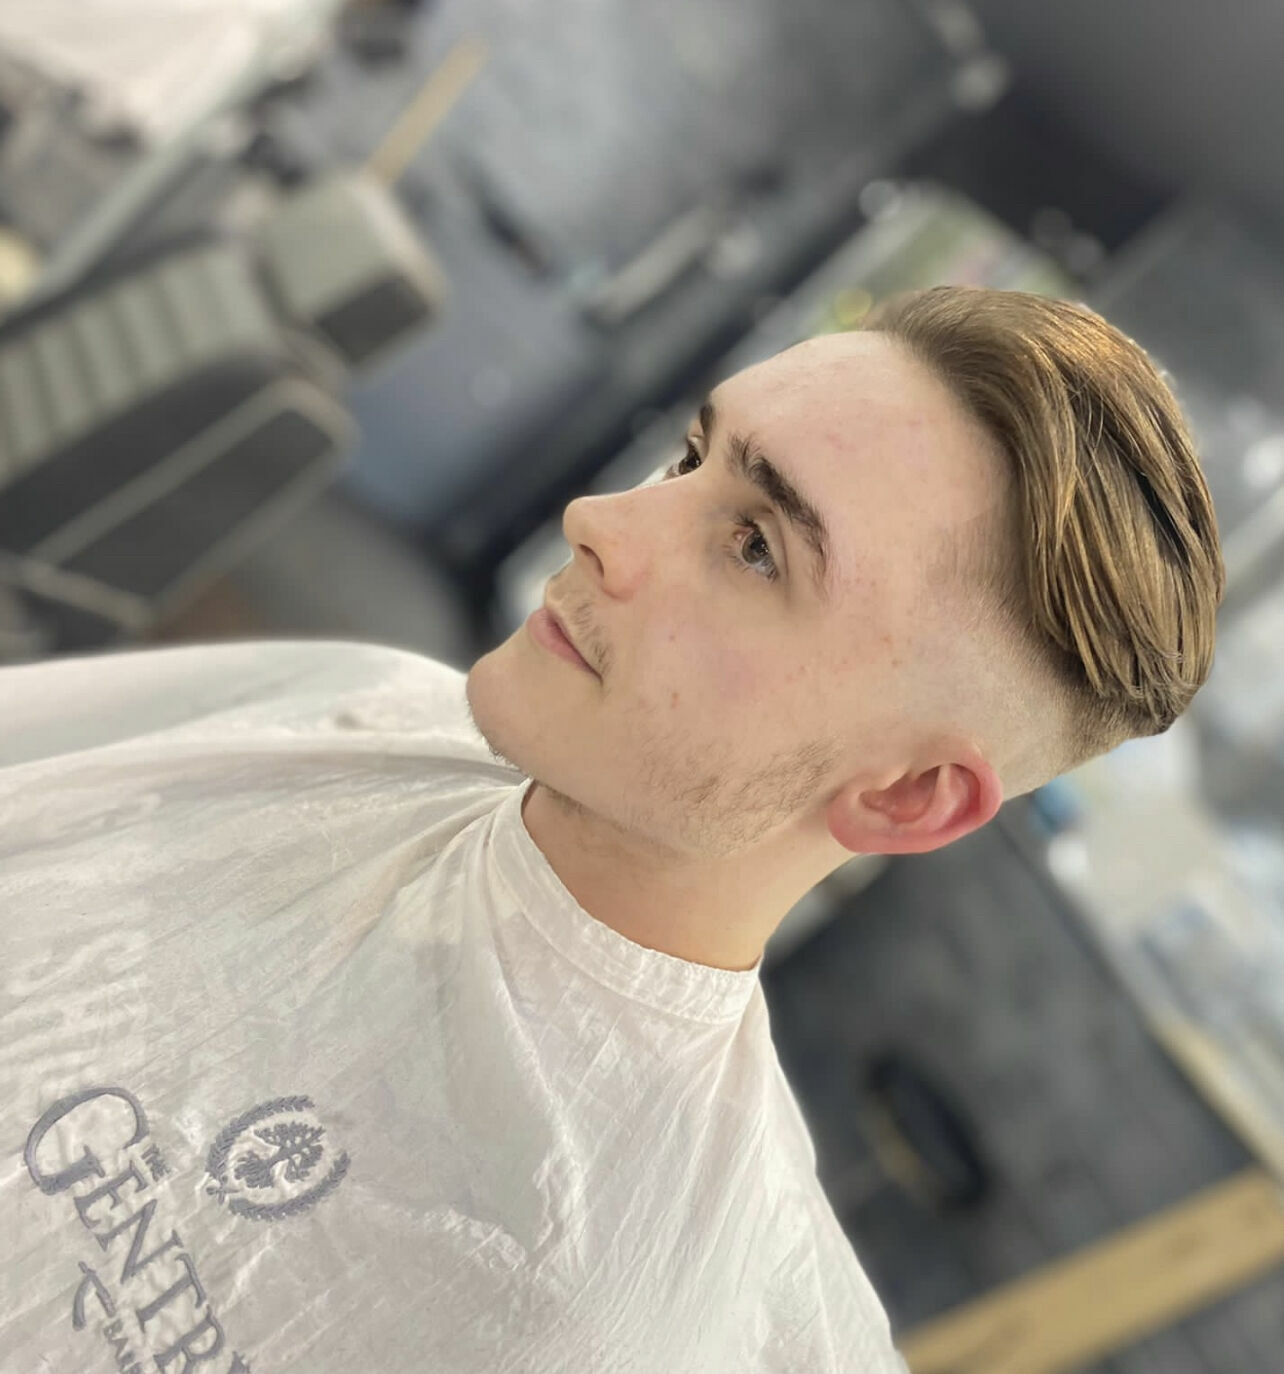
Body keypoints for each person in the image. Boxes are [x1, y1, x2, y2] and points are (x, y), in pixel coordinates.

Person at [0, 286, 1224, 1372]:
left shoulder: (604, 1319)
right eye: (693, 457)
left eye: (755, 547)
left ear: (906, 797)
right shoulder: (364, 708)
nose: (601, 519)